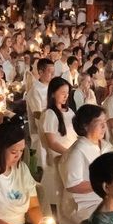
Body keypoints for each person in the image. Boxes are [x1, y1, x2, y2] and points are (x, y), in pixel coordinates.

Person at [59, 104, 113, 224]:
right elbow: (73, 185)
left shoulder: (106, 146)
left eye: (105, 122)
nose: (104, 126)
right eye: (99, 122)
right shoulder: (77, 152)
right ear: (85, 125)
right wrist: (104, 184)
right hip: (83, 204)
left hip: (106, 198)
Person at [39, 77, 78, 207]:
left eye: (67, 93)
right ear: (52, 93)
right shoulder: (50, 114)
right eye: (62, 93)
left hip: (70, 156)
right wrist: (69, 153)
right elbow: (52, 142)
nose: (66, 96)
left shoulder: (69, 111)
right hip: (59, 158)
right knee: (57, 194)